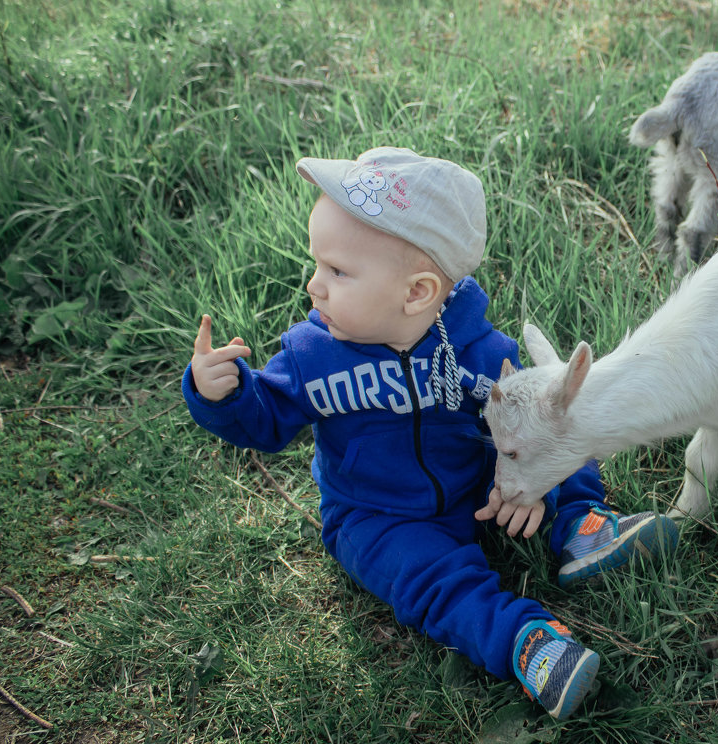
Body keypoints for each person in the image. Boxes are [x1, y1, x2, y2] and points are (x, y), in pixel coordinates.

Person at [182, 147, 678, 720]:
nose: (314, 287)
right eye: (318, 265)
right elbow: (265, 418)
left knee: (548, 429)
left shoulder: (480, 352)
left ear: (418, 292)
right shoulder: (311, 355)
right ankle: (527, 643)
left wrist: (528, 488)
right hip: (376, 516)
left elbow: (537, 430)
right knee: (431, 579)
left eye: (337, 271)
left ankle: (581, 525)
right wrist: (224, 392)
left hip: (480, 484)